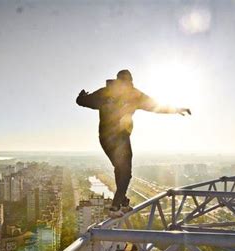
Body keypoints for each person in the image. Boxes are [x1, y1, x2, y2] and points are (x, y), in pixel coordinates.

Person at [76, 69, 191, 218]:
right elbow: (155, 106)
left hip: (106, 138)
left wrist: (82, 95)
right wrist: (176, 110)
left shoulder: (107, 93)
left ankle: (122, 202)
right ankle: (115, 206)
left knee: (120, 169)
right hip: (119, 138)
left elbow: (82, 102)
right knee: (125, 172)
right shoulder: (132, 95)